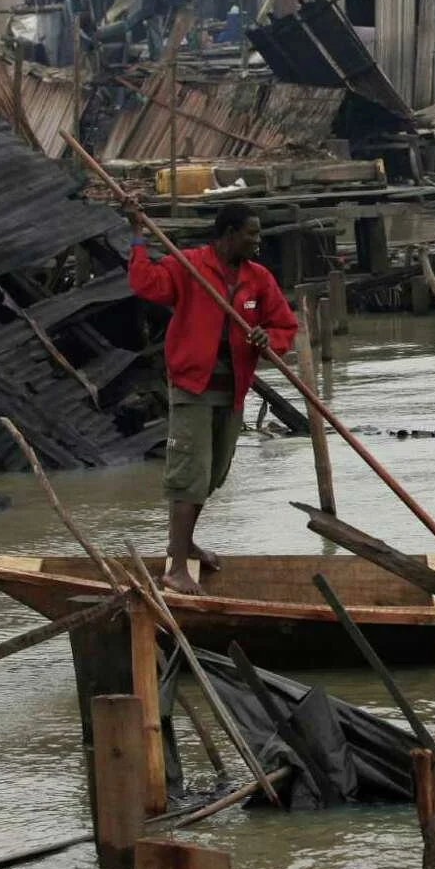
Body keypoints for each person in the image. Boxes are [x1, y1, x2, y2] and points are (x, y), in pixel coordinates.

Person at [127, 202, 299, 595]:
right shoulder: (189, 266)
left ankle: (187, 545)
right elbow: (144, 283)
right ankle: (175, 567)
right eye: (251, 233)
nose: (258, 241)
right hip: (193, 387)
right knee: (189, 476)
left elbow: (284, 325)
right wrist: (137, 236)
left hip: (233, 390)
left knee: (213, 474)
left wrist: (266, 338)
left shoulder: (258, 279)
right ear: (229, 234)